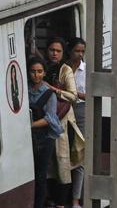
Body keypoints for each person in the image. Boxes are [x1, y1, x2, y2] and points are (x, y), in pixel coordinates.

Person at [46, 38, 84, 208]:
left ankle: (64, 203)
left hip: (63, 122)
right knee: (50, 164)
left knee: (63, 161)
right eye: (52, 50)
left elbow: (74, 96)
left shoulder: (65, 70)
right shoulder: (43, 68)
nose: (54, 53)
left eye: (58, 51)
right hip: (46, 121)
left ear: (63, 53)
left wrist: (54, 89)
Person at [29, 55, 62, 208]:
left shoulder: (49, 93)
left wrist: (31, 125)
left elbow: (50, 118)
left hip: (45, 138)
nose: (36, 75)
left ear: (44, 73)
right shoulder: (25, 90)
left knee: (41, 175)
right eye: (33, 71)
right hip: (29, 138)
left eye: (40, 71)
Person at [65, 38, 85, 207]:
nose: (80, 54)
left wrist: (73, 93)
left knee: (79, 153)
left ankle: (75, 199)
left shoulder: (85, 70)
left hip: (80, 111)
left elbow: (91, 92)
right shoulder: (63, 69)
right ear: (70, 51)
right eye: (77, 51)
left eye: (82, 51)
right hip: (64, 111)